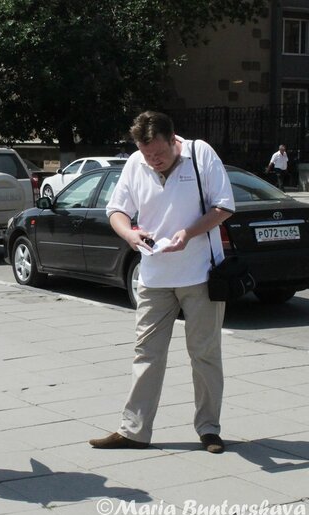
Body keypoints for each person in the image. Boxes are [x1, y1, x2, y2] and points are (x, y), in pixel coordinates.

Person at [89, 111, 235, 454]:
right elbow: (116, 210)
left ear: (174, 141)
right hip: (154, 275)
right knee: (147, 353)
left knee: (204, 354)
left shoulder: (200, 154)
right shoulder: (135, 164)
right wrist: (130, 234)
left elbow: (224, 206)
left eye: (159, 154)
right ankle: (134, 431)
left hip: (200, 273)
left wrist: (188, 233)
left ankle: (209, 429)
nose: (153, 161)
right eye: (146, 154)